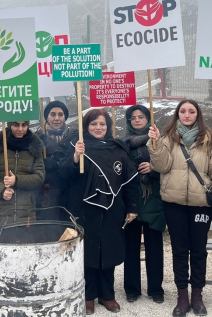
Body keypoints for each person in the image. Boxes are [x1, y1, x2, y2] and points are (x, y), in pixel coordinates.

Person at [149, 100, 212, 316]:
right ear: (177, 114)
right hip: (174, 204)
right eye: (183, 111)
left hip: (201, 205)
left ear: (198, 115)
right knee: (179, 251)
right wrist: (156, 145)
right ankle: (181, 296)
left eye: (191, 111)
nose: (187, 115)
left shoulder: (209, 140)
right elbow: (161, 166)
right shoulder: (167, 138)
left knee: (198, 250)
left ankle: (197, 295)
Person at [60, 109, 139, 315]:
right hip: (84, 209)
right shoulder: (77, 147)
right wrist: (76, 157)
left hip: (113, 209)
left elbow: (130, 181)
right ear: (86, 127)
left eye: (102, 124)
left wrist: (132, 207)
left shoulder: (119, 149)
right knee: (88, 253)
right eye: (94, 124)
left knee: (109, 250)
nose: (98, 128)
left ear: (108, 127)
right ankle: (88, 295)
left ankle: (107, 294)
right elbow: (63, 175)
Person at [121, 104, 165, 305]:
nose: (137, 120)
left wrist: (153, 168)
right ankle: (131, 288)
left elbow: (170, 166)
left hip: (153, 199)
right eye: (133, 117)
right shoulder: (122, 144)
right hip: (130, 201)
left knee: (154, 248)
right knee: (130, 248)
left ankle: (156, 288)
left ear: (148, 119)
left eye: (141, 117)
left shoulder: (158, 141)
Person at [0, 121, 45, 227]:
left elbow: (39, 177)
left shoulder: (35, 148)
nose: (20, 129)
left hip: (26, 213)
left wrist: (17, 180)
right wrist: (1, 190)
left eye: (24, 125)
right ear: (10, 125)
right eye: (16, 125)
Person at [36, 100, 78, 220]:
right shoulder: (37, 138)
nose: (57, 118)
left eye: (60, 114)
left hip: (70, 190)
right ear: (47, 116)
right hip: (46, 193)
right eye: (52, 114)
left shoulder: (76, 136)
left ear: (65, 117)